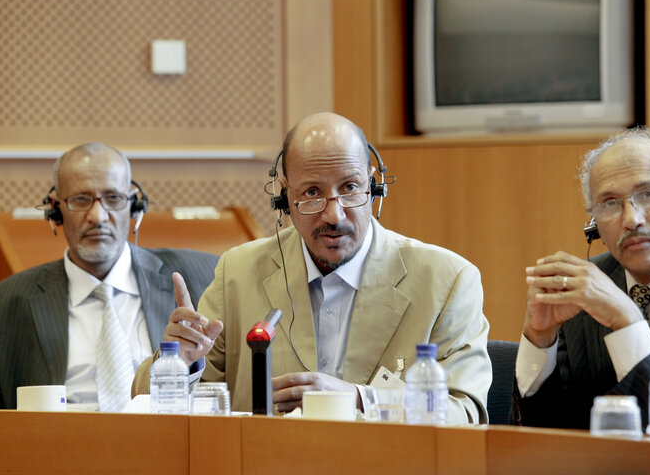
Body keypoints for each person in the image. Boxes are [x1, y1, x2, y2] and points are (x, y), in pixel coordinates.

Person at [132, 112, 491, 424]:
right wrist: (179, 364)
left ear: (373, 184)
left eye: (350, 188)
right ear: (284, 197)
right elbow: (149, 401)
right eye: (312, 193)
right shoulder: (238, 273)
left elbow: (466, 413)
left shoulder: (447, 281)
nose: (334, 215)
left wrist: (357, 399)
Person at [0, 142, 219, 411]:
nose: (98, 217)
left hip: (167, 447)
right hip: (54, 449)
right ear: (55, 209)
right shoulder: (2, 306)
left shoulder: (204, 277)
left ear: (134, 206)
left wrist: (185, 364)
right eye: (80, 200)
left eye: (113, 198)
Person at [512, 127, 650, 429]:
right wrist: (540, 340)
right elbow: (544, 441)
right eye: (609, 202)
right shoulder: (583, 289)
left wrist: (628, 322)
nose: (631, 219)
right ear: (594, 226)